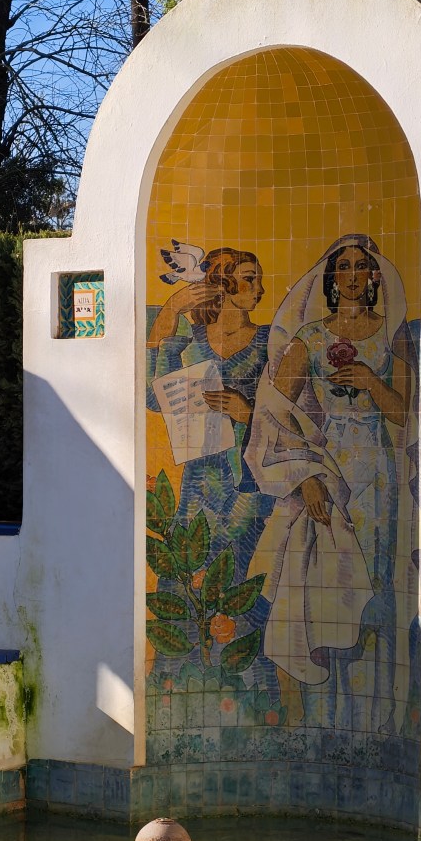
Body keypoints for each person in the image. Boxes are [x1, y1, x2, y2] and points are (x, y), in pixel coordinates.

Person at [246, 235, 419, 733]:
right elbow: (273, 414)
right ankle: (323, 722)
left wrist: (370, 381)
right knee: (327, 591)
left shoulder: (391, 336)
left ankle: (373, 724)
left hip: (379, 478)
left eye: (362, 266)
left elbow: (404, 414)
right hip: (328, 469)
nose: (352, 275)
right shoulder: (309, 338)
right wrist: (304, 477)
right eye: (343, 267)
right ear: (330, 278)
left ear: (375, 276)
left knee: (377, 590)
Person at [146, 246, 274, 649]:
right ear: (222, 283)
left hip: (247, 487)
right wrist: (170, 311)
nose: (259, 288)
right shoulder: (193, 341)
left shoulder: (270, 341)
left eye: (258, 279)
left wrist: (246, 412)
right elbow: (154, 399)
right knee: (184, 579)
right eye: (249, 278)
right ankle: (181, 671)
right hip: (199, 484)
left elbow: (296, 414)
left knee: (237, 581)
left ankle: (246, 670)